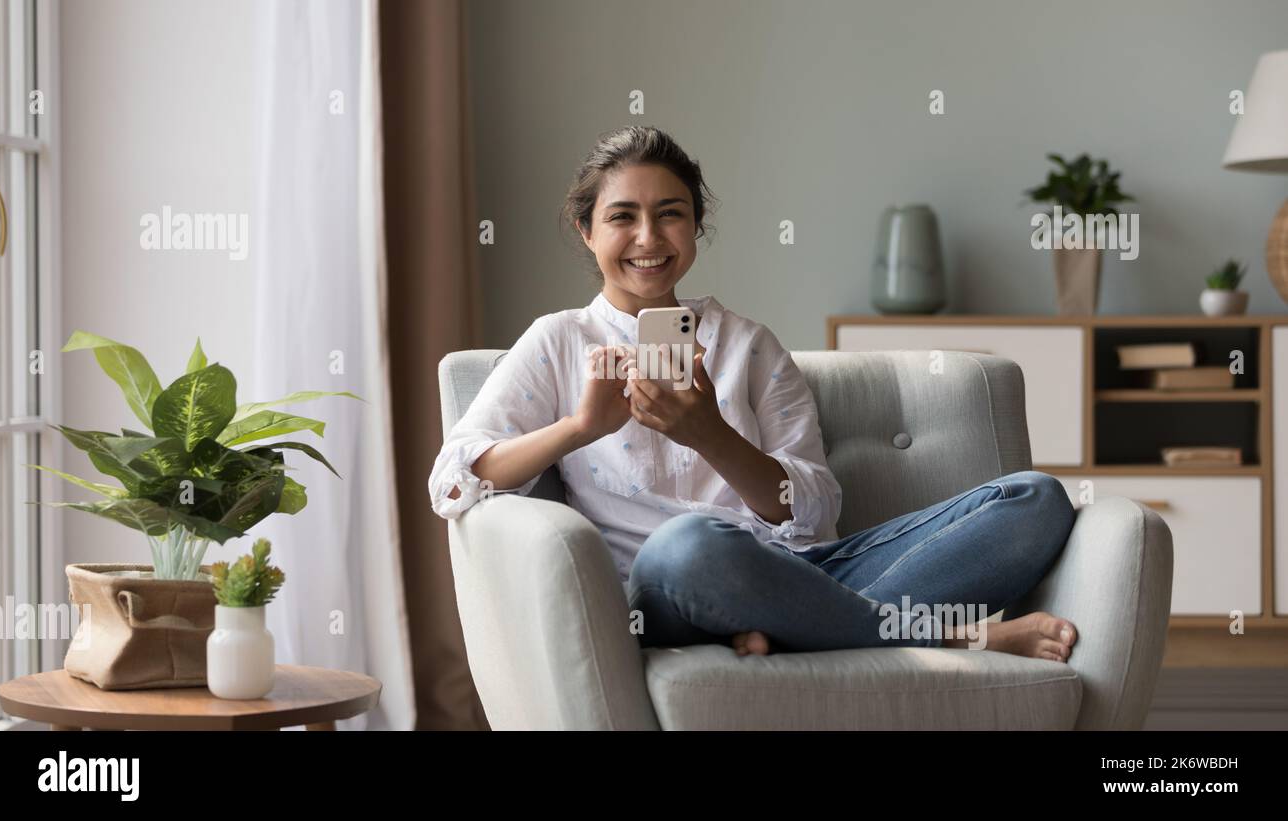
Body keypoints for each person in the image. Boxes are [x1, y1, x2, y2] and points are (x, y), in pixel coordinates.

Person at [428, 125, 1079, 662]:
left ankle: (795, 629)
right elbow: (454, 479)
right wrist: (579, 427)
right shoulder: (559, 341)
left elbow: (816, 509)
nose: (649, 238)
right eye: (622, 217)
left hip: (806, 574)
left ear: (696, 226)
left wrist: (708, 433)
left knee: (1035, 498)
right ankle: (953, 633)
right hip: (674, 586)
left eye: (670, 215)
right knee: (693, 543)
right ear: (587, 231)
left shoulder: (749, 344)